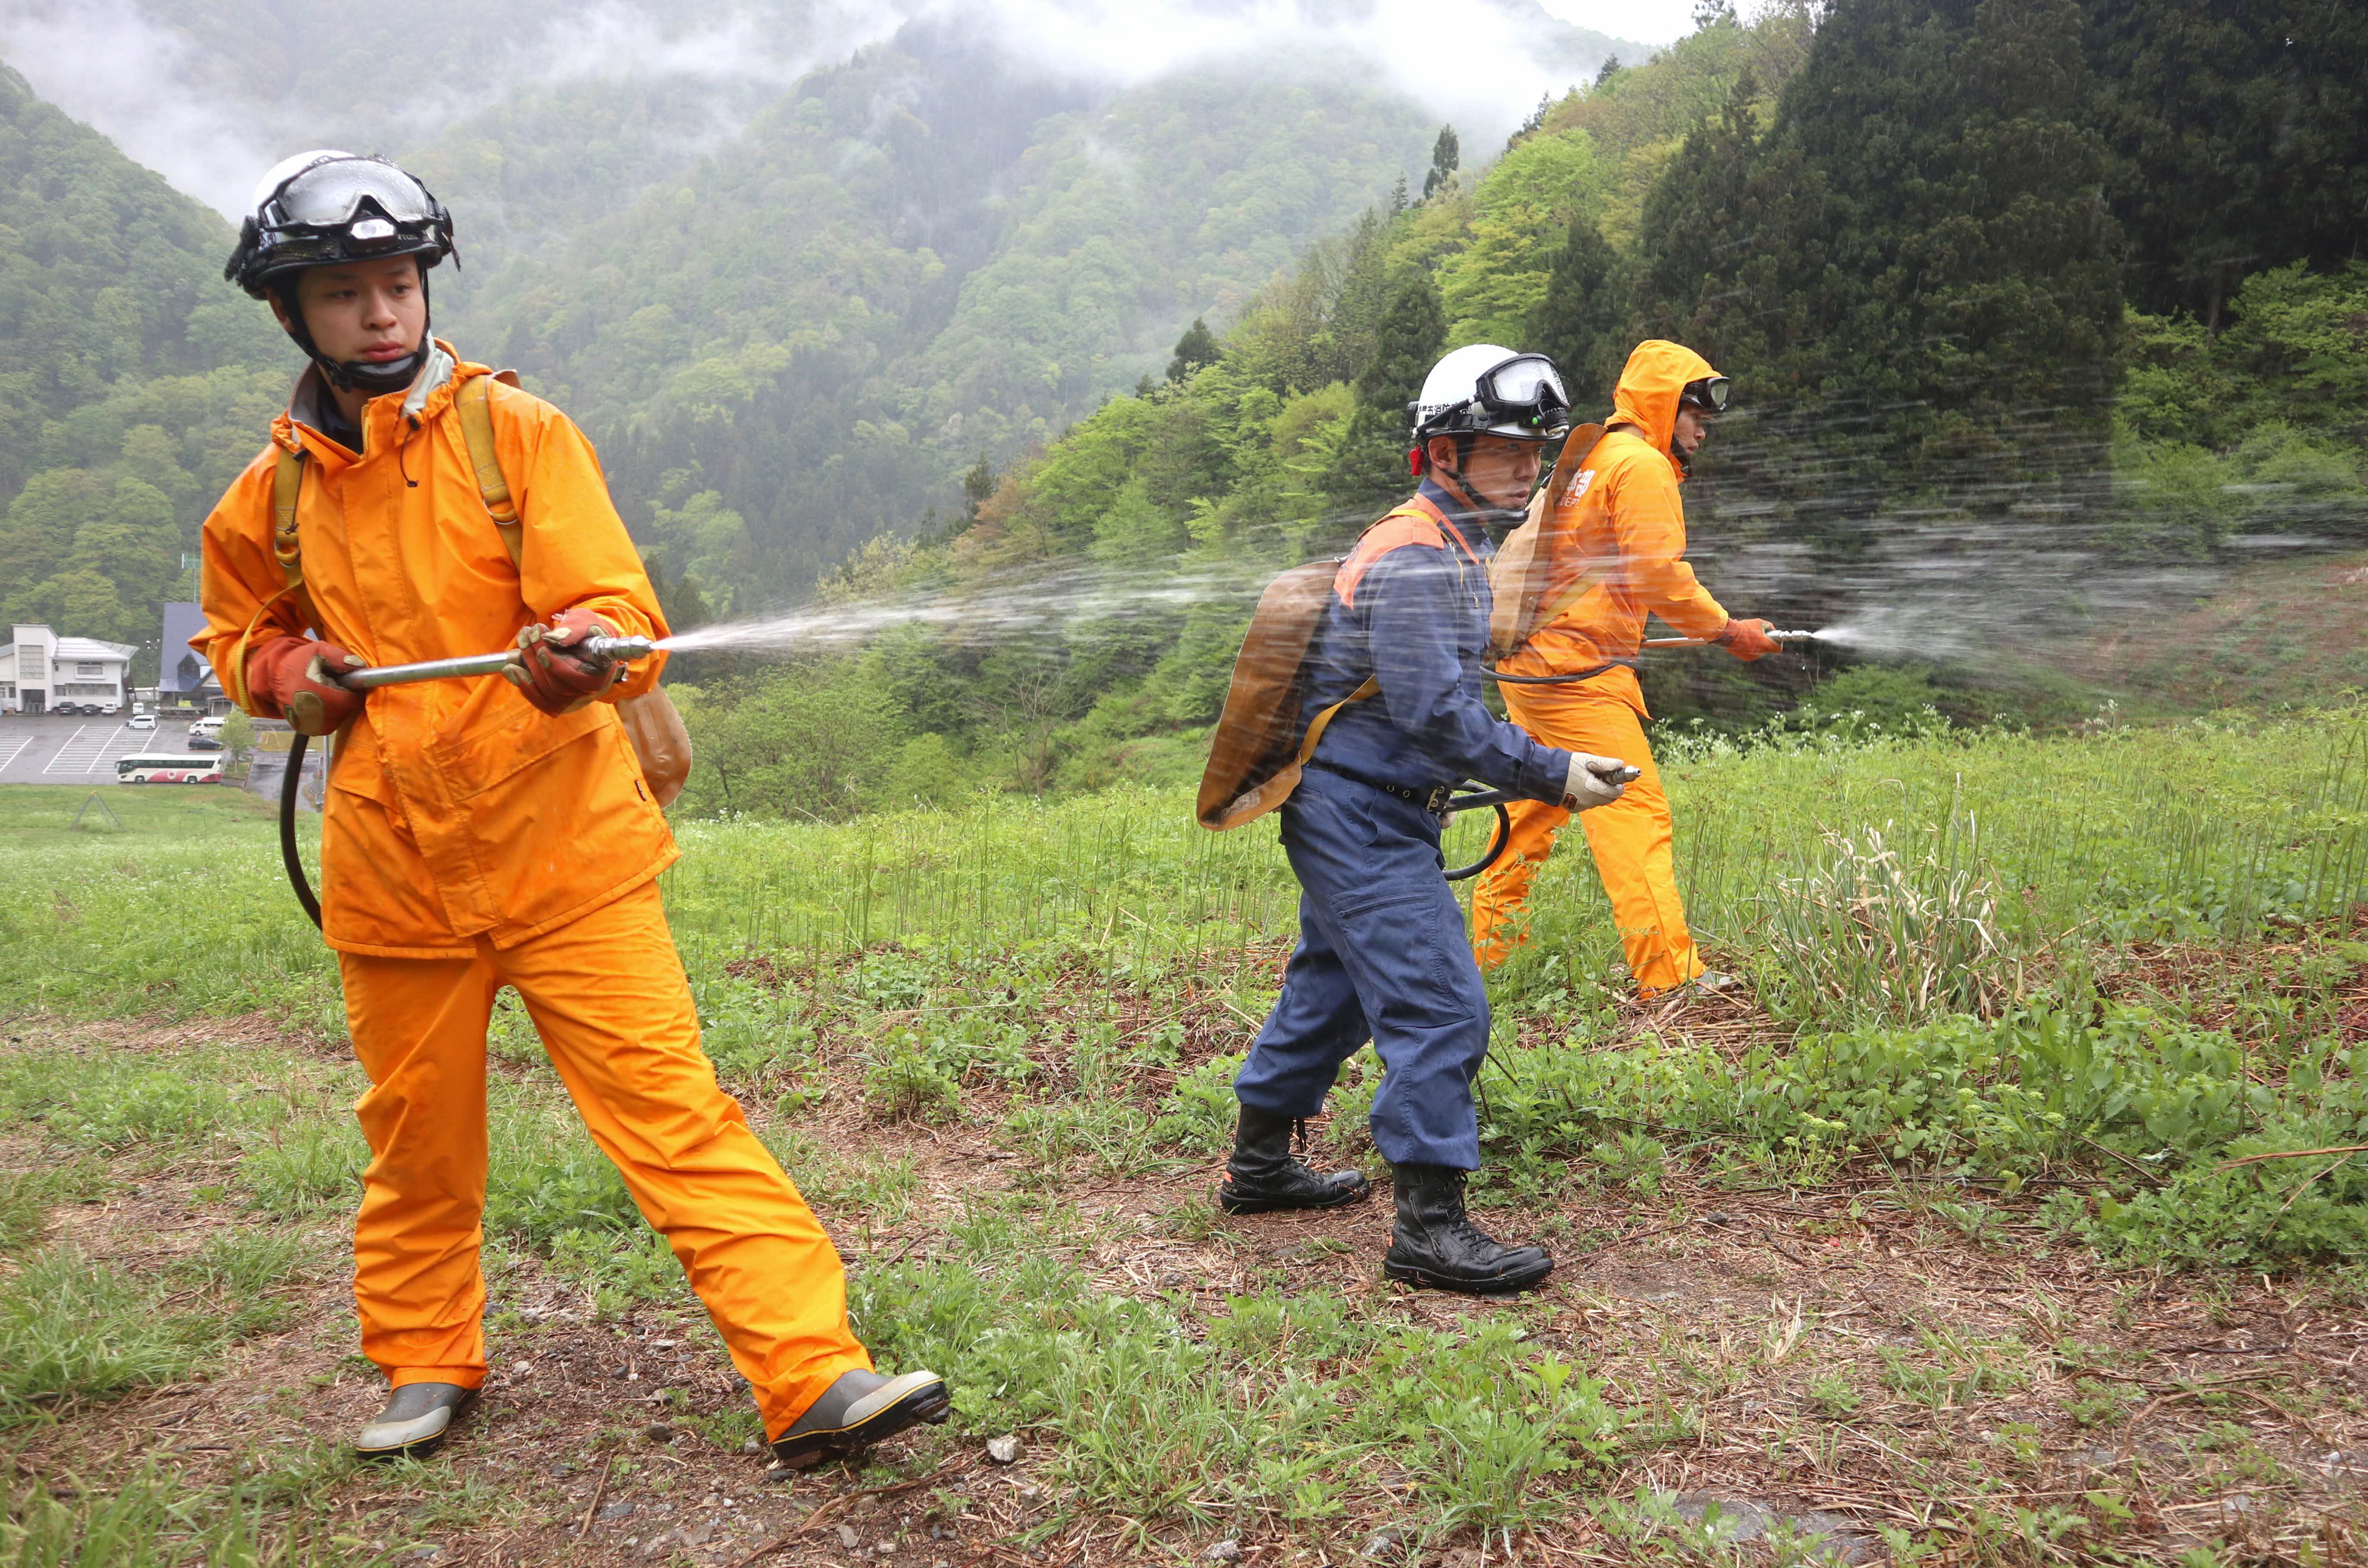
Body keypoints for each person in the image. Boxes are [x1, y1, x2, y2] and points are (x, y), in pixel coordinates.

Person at [196, 151, 947, 1464]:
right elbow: (238, 634)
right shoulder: (268, 501)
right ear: (291, 313)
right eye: (346, 293)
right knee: (415, 1138)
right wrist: (281, 672)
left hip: (567, 853)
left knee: (673, 1109)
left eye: (398, 283)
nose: (382, 312)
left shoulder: (518, 438)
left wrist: (580, 649)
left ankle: (813, 1371)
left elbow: (620, 611)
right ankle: (424, 1361)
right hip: (395, 873)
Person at [1218, 344, 1635, 1296]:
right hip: (1357, 818)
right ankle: (1429, 1229)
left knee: (1338, 990)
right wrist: (1554, 771)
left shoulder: (1450, 545)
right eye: (1502, 450)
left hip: (1371, 810)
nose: (1526, 469)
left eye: (1533, 452)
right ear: (1442, 452)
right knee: (1440, 1003)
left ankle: (1259, 1167)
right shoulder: (1413, 557)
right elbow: (1437, 716)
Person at [1468, 340, 1779, 995]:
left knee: (1536, 805)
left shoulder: (1597, 456)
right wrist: (1726, 631)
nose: (1702, 428)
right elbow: (1658, 574)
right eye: (1695, 412)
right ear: (1666, 405)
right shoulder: (1639, 465)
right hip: (1574, 677)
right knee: (1633, 810)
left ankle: (1485, 959)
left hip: (1537, 668)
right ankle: (1670, 979)